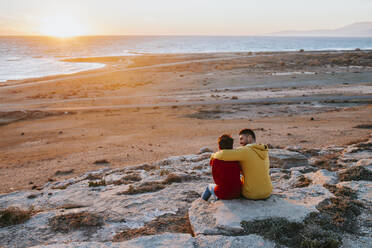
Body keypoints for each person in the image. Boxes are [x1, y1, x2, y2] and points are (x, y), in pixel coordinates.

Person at [211, 129, 272, 200]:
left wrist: (213, 155)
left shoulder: (245, 150)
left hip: (252, 193)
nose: (240, 142)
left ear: (249, 138)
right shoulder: (263, 150)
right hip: (267, 192)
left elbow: (223, 154)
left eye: (241, 139)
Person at [201, 134, 242, 201]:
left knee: (209, 187)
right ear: (232, 146)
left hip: (223, 194)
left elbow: (216, 180)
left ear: (219, 147)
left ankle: (202, 202)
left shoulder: (216, 160)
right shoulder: (236, 158)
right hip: (237, 192)